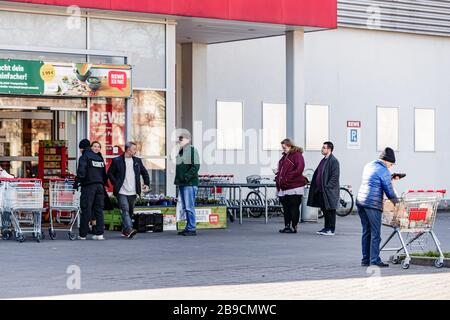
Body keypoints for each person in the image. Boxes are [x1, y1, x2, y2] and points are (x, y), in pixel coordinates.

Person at [356, 147, 399, 267]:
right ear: (387, 160)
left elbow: (374, 180)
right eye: (391, 163)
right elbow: (389, 191)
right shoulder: (384, 170)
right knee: (375, 233)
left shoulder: (369, 165)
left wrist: (390, 178)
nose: (391, 166)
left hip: (360, 201)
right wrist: (397, 203)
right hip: (372, 204)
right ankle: (374, 260)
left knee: (366, 231)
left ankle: (365, 260)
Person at [107, 141, 150, 239]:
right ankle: (130, 229)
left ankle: (125, 230)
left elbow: (145, 173)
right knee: (125, 210)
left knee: (130, 211)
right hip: (121, 191)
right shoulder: (117, 160)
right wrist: (116, 183)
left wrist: (146, 183)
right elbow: (110, 173)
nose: (135, 151)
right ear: (127, 149)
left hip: (133, 191)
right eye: (134, 149)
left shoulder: (137, 161)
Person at [74, 139, 107, 240]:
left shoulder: (84, 157)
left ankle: (83, 234)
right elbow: (104, 173)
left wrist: (77, 182)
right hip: (100, 186)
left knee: (86, 208)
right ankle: (99, 234)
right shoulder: (99, 157)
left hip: (89, 186)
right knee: (99, 210)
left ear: (81, 148)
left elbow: (81, 172)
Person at [307, 141, 340, 236]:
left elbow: (335, 176)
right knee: (325, 210)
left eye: (324, 147)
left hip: (328, 191)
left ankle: (331, 229)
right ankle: (326, 228)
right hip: (321, 190)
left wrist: (327, 186)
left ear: (329, 149)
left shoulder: (333, 161)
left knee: (330, 210)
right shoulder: (324, 160)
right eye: (322, 147)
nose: (322, 149)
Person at [275, 138, 306, 234]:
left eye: (284, 147)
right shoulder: (285, 156)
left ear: (289, 145)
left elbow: (299, 169)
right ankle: (287, 226)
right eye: (282, 147)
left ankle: (294, 226)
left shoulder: (297, 155)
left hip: (294, 186)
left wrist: (287, 178)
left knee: (293, 207)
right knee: (286, 208)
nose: (283, 149)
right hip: (285, 186)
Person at [175, 132, 200, 236]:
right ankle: (188, 227)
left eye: (181, 139)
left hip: (189, 183)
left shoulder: (192, 151)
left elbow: (196, 166)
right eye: (179, 139)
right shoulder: (181, 151)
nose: (179, 141)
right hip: (183, 183)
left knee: (189, 206)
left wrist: (186, 177)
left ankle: (192, 228)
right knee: (186, 206)